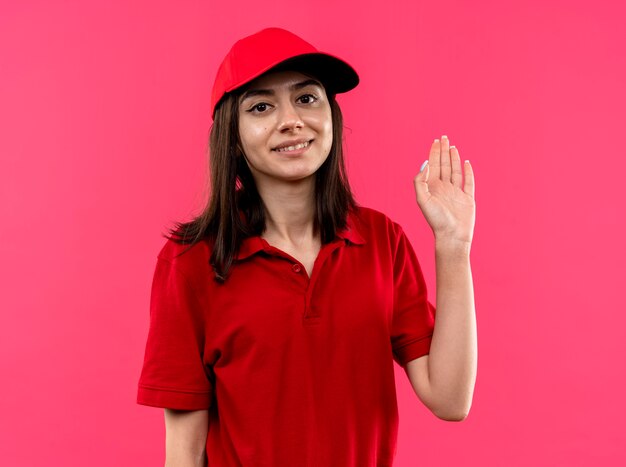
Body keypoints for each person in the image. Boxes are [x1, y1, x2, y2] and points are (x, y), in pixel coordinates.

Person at [137, 27, 477, 467]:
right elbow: (185, 454)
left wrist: (454, 245)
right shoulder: (191, 260)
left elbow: (450, 399)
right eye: (261, 106)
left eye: (307, 98)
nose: (291, 120)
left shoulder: (381, 241)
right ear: (233, 137)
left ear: (331, 116)